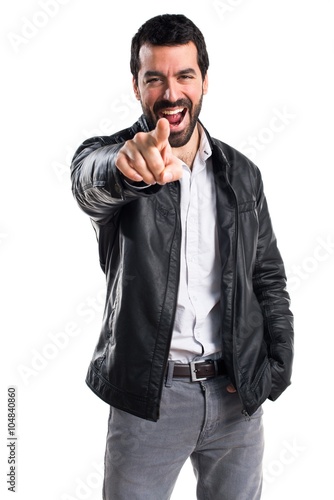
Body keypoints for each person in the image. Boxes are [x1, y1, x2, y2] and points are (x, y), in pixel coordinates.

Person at [70, 14, 294, 500]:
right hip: (151, 401)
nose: (171, 93)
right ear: (136, 86)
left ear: (204, 81)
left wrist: (278, 362)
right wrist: (129, 170)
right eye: (155, 78)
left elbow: (267, 274)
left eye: (184, 76)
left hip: (237, 397)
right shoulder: (114, 157)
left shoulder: (243, 174)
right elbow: (90, 180)